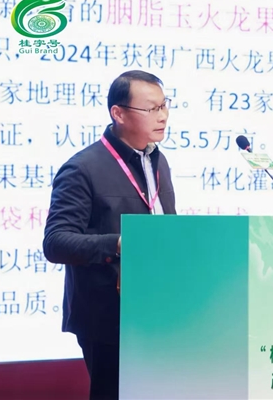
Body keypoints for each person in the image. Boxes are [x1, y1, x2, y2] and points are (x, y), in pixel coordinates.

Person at [43, 70, 177, 400]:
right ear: (118, 113)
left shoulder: (158, 162)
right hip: (108, 317)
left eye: (164, 106)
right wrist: (118, 243)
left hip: (161, 310)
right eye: (152, 108)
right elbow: (56, 242)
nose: (162, 116)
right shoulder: (83, 168)